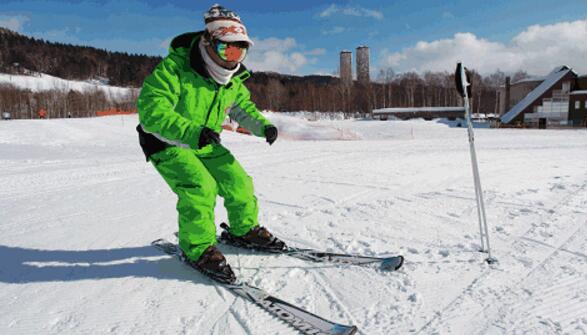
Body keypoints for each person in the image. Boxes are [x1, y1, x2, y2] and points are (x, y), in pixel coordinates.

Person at [136, 4, 285, 284]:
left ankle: (243, 230)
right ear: (209, 43)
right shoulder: (175, 68)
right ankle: (198, 248)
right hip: (165, 141)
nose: (232, 59)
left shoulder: (232, 82)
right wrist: (191, 131)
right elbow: (151, 110)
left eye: (239, 51)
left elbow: (242, 110)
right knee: (200, 187)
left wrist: (262, 126)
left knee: (238, 180)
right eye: (226, 50)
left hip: (203, 140)